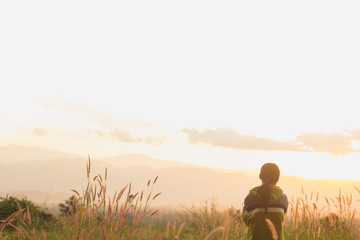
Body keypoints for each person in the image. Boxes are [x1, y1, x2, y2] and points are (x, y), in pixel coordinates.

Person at [242, 163, 288, 240]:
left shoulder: (250, 198)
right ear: (277, 178)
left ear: (260, 177)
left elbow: (248, 221)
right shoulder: (283, 198)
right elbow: (281, 219)